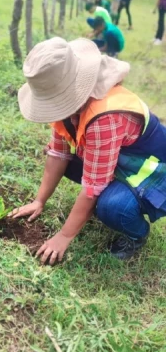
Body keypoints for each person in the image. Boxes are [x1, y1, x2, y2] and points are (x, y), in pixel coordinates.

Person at [12, 37, 166, 262]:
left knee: (112, 207)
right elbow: (58, 153)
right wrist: (39, 201)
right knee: (67, 163)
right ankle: (111, 195)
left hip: (153, 172)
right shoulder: (68, 108)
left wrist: (64, 236)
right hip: (118, 161)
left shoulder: (104, 117)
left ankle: (137, 234)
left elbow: (93, 187)